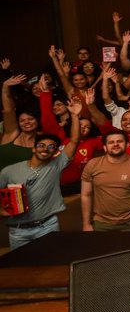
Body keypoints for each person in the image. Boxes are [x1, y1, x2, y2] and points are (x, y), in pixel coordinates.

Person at [0, 100, 82, 249]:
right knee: (21, 264)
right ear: (33, 148)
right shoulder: (9, 171)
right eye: (41, 145)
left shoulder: (55, 166)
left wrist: (75, 116)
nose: (45, 149)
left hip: (47, 227)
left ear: (54, 152)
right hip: (18, 230)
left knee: (50, 262)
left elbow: (74, 141)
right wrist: (2, 209)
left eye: (51, 147)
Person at [79, 130, 130, 232]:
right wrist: (86, 224)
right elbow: (86, 195)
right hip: (101, 223)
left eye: (120, 141)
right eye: (111, 142)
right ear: (105, 147)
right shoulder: (92, 165)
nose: (115, 144)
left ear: (127, 144)